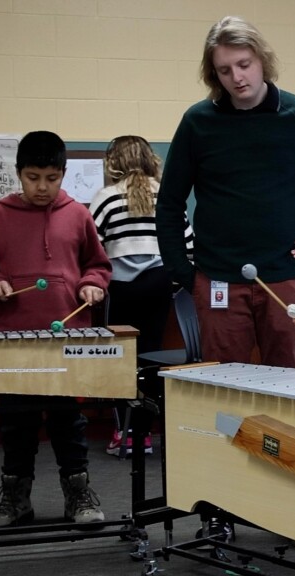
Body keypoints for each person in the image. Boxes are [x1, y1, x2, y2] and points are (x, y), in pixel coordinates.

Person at [155, 15, 295, 371]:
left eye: (244, 65)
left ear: (262, 61)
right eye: (224, 70)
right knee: (224, 388)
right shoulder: (198, 122)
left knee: (288, 387)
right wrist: (184, 272)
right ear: (214, 75)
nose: (237, 78)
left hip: (285, 278)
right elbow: (169, 202)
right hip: (217, 281)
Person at [0, 131, 113, 528]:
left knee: (68, 420)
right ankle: (15, 499)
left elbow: (98, 265)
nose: (42, 187)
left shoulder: (78, 214)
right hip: (14, 338)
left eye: (51, 178)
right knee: (16, 421)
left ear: (63, 174)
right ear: (19, 174)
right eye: (32, 177)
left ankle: (78, 495)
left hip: (67, 337)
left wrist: (92, 285)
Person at [89, 135, 195, 456]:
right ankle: (144, 435)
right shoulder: (166, 196)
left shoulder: (106, 198)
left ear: (113, 163)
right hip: (159, 285)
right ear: (151, 159)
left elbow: (90, 246)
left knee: (120, 359)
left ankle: (123, 433)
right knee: (150, 357)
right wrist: (174, 288)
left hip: (118, 289)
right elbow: (187, 246)